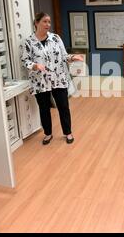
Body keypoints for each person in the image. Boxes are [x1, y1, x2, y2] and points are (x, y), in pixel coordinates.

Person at [21, 12, 83, 145]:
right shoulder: (29, 42)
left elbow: (64, 56)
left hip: (58, 78)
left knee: (63, 107)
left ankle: (68, 132)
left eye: (49, 22)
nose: (48, 24)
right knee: (44, 109)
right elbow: (25, 60)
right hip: (40, 81)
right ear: (36, 23)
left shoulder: (55, 38)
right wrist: (34, 65)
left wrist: (73, 58)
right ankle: (48, 134)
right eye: (44, 21)